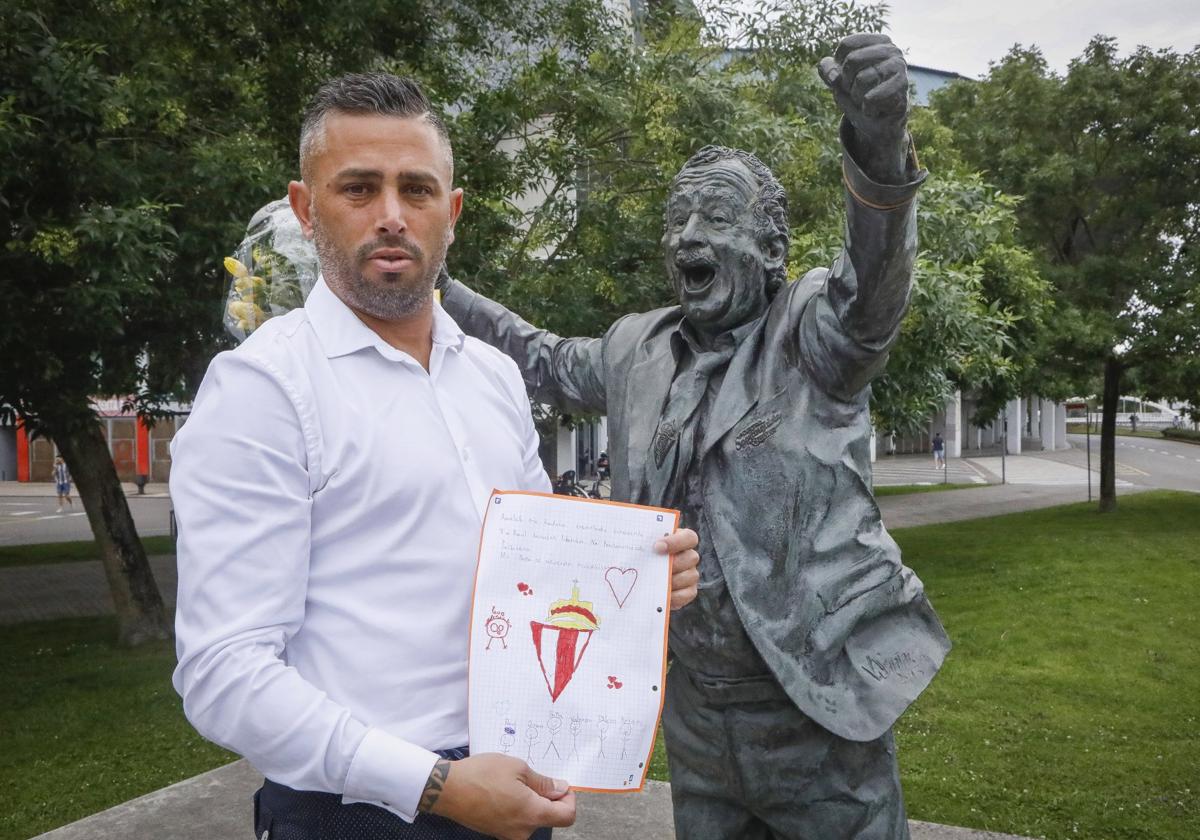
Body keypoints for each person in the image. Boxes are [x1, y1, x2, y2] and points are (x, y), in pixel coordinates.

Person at [438, 34, 949, 839]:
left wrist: (878, 148)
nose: (686, 237)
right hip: (694, 717)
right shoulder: (634, 347)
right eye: (677, 220)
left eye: (715, 218)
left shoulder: (815, 332)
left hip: (815, 712)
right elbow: (533, 352)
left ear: (773, 252)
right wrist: (435, 280)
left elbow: (875, 283)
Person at [169, 73, 700, 840]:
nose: (391, 216)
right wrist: (436, 786)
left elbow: (531, 575)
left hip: (509, 792)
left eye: (416, 190)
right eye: (359, 188)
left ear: (450, 214)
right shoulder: (263, 389)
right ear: (304, 208)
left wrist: (646, 575)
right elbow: (224, 675)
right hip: (351, 817)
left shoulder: (493, 377)